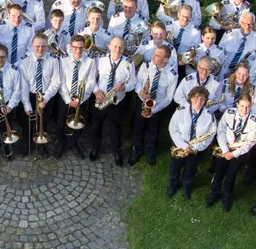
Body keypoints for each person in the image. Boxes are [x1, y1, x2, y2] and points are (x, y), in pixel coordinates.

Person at [207, 94, 256, 212]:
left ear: (250, 106)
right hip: (224, 149)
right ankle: (213, 194)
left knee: (231, 176)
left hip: (238, 154)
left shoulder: (254, 121)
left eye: (247, 107)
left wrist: (234, 154)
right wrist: (225, 150)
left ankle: (226, 198)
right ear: (237, 105)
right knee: (218, 173)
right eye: (242, 106)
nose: (244, 109)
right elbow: (220, 131)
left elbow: (249, 143)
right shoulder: (229, 113)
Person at [91, 37, 136, 165]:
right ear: (109, 46)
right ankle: (95, 147)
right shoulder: (100, 60)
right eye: (115, 46)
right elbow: (92, 78)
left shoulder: (128, 63)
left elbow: (134, 82)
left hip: (117, 101)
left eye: (121, 47)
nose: (118, 49)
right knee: (96, 125)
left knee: (115, 127)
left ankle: (116, 151)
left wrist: (125, 87)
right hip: (101, 98)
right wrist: (96, 91)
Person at [130, 45, 177, 166]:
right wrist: (141, 91)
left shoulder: (172, 75)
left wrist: (154, 110)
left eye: (157, 56)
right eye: (154, 54)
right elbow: (137, 82)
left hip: (157, 107)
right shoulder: (146, 66)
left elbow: (168, 97)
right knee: (138, 128)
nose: (153, 57)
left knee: (153, 131)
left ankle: (150, 152)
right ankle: (137, 150)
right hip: (142, 102)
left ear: (165, 59)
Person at [167, 86, 216, 199]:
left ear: (205, 101)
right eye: (197, 98)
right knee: (175, 167)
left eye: (202, 99)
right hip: (179, 147)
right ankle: (172, 186)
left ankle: (186, 188)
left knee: (190, 170)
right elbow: (172, 129)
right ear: (191, 98)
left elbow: (210, 135)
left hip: (196, 150)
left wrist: (195, 147)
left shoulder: (209, 116)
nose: (199, 101)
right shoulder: (180, 110)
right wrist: (183, 145)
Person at [19, 34, 61, 159]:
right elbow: (23, 85)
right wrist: (26, 104)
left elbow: (55, 82)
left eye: (43, 46)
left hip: (45, 96)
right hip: (29, 96)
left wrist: (46, 98)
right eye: (37, 46)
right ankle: (27, 145)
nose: (40, 49)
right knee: (27, 122)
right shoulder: (24, 62)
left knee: (44, 122)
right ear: (32, 46)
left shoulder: (53, 61)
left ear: (47, 46)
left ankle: (42, 145)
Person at [56, 35, 95, 159]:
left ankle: (75, 142)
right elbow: (61, 82)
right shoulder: (63, 60)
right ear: (70, 47)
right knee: (61, 121)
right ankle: (61, 143)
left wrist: (80, 99)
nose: (78, 50)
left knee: (80, 121)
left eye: (81, 48)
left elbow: (91, 82)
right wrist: (68, 99)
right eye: (75, 48)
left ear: (85, 47)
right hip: (65, 97)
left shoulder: (90, 61)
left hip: (81, 98)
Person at [219, 12, 256, 77]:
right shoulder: (229, 35)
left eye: (251, 24)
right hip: (224, 71)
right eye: (245, 23)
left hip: (244, 75)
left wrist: (247, 64)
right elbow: (219, 53)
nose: (247, 27)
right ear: (240, 22)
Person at [166, 4, 201, 77]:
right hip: (167, 60)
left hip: (182, 64)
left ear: (191, 16)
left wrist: (188, 56)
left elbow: (196, 49)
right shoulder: (168, 26)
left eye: (188, 17)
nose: (185, 19)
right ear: (178, 14)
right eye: (183, 16)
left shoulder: (195, 32)